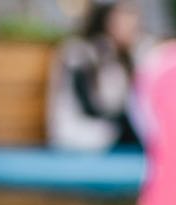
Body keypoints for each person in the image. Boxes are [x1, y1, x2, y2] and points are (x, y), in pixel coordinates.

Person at [48, 0, 148, 152]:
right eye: (125, 16)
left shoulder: (122, 55)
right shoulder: (80, 51)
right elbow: (89, 105)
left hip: (105, 131)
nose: (132, 24)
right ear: (107, 19)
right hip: (80, 134)